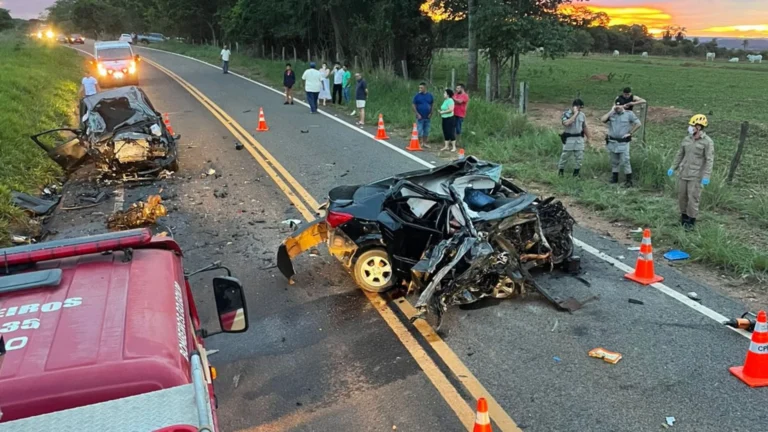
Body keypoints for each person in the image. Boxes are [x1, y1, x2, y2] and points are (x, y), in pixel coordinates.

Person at [667, 115, 715, 230]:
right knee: (681, 197)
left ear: (699, 127)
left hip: (696, 175)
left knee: (693, 198)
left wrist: (706, 176)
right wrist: (673, 167)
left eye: (692, 125)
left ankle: (691, 220)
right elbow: (680, 154)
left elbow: (709, 160)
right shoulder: (686, 139)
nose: (690, 127)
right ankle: (683, 217)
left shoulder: (707, 142)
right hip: (683, 173)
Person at [601, 99, 642, 187]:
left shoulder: (629, 114)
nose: (617, 108)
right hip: (612, 142)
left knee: (625, 161)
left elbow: (638, 124)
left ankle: (629, 180)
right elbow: (603, 120)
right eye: (616, 106)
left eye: (619, 106)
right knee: (614, 161)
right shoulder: (612, 114)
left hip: (623, 142)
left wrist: (630, 133)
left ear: (623, 106)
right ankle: (614, 178)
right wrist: (611, 110)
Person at [558, 99, 590, 177]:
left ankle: (576, 174)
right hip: (569, 138)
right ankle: (561, 172)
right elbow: (567, 123)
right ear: (574, 107)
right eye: (579, 107)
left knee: (579, 157)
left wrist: (589, 137)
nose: (580, 109)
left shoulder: (582, 115)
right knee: (565, 156)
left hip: (579, 138)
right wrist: (575, 114)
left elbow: (584, 126)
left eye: (581, 108)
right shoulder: (566, 114)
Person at [412, 82, 434, 149]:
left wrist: (431, 113)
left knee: (426, 130)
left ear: (425, 88)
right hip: (420, 116)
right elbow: (413, 105)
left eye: (421, 88)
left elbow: (432, 105)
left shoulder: (430, 96)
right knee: (419, 130)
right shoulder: (417, 96)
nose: (420, 89)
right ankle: (419, 143)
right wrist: (417, 113)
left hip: (427, 116)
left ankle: (424, 143)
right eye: (419, 88)